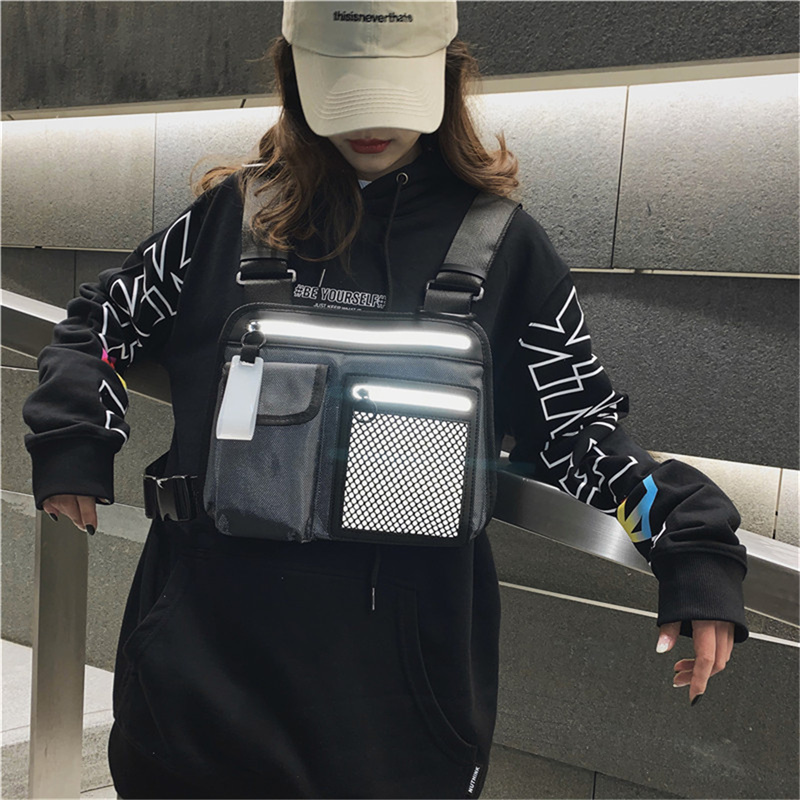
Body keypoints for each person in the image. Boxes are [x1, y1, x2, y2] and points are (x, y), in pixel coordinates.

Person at [22, 2, 749, 798]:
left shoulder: (506, 248)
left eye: (393, 91)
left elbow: (577, 429)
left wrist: (689, 541)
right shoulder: (227, 221)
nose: (370, 123)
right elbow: (99, 326)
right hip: (200, 672)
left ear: (446, 75)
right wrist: (75, 437)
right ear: (295, 78)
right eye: (344, 92)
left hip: (398, 707)